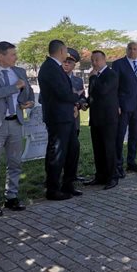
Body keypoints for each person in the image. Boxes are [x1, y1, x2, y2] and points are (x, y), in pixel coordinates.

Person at [0, 41, 35, 216]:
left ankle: (12, 196)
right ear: (0, 56)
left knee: (15, 162)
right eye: (12, 54)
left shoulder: (19, 71)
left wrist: (28, 100)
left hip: (15, 122)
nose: (16, 57)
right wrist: (14, 87)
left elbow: (29, 91)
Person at [38, 40, 83, 201]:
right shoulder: (50, 68)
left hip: (66, 117)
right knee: (57, 153)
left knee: (72, 150)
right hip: (58, 118)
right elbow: (62, 93)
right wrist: (77, 98)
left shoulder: (55, 67)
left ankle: (68, 185)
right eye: (66, 52)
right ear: (62, 50)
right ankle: (53, 189)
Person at [112, 42, 137, 178]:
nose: (133, 51)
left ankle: (131, 162)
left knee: (134, 135)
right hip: (123, 107)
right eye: (130, 49)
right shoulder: (118, 64)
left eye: (135, 49)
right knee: (120, 136)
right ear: (126, 50)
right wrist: (117, 105)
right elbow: (114, 86)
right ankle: (118, 165)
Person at [85, 51, 119, 190]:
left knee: (109, 148)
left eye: (97, 60)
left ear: (104, 60)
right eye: (92, 60)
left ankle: (112, 177)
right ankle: (100, 175)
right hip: (96, 117)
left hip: (108, 118)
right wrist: (85, 102)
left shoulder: (110, 74)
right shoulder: (96, 75)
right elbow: (93, 95)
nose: (94, 63)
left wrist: (92, 78)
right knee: (98, 148)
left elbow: (103, 90)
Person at [62, 48, 86, 182]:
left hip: (74, 120)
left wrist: (79, 105)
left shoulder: (78, 81)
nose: (66, 64)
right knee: (59, 149)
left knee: (74, 148)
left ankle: (72, 174)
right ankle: (57, 176)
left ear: (74, 64)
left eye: (70, 62)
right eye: (64, 61)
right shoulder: (55, 79)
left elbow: (82, 97)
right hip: (60, 120)